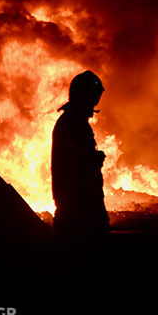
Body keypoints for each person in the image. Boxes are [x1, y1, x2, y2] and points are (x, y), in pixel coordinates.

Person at [51, 70, 109, 245]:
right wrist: (93, 160)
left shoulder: (75, 121)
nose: (94, 103)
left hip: (79, 203)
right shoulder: (71, 123)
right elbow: (72, 165)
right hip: (78, 205)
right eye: (93, 97)